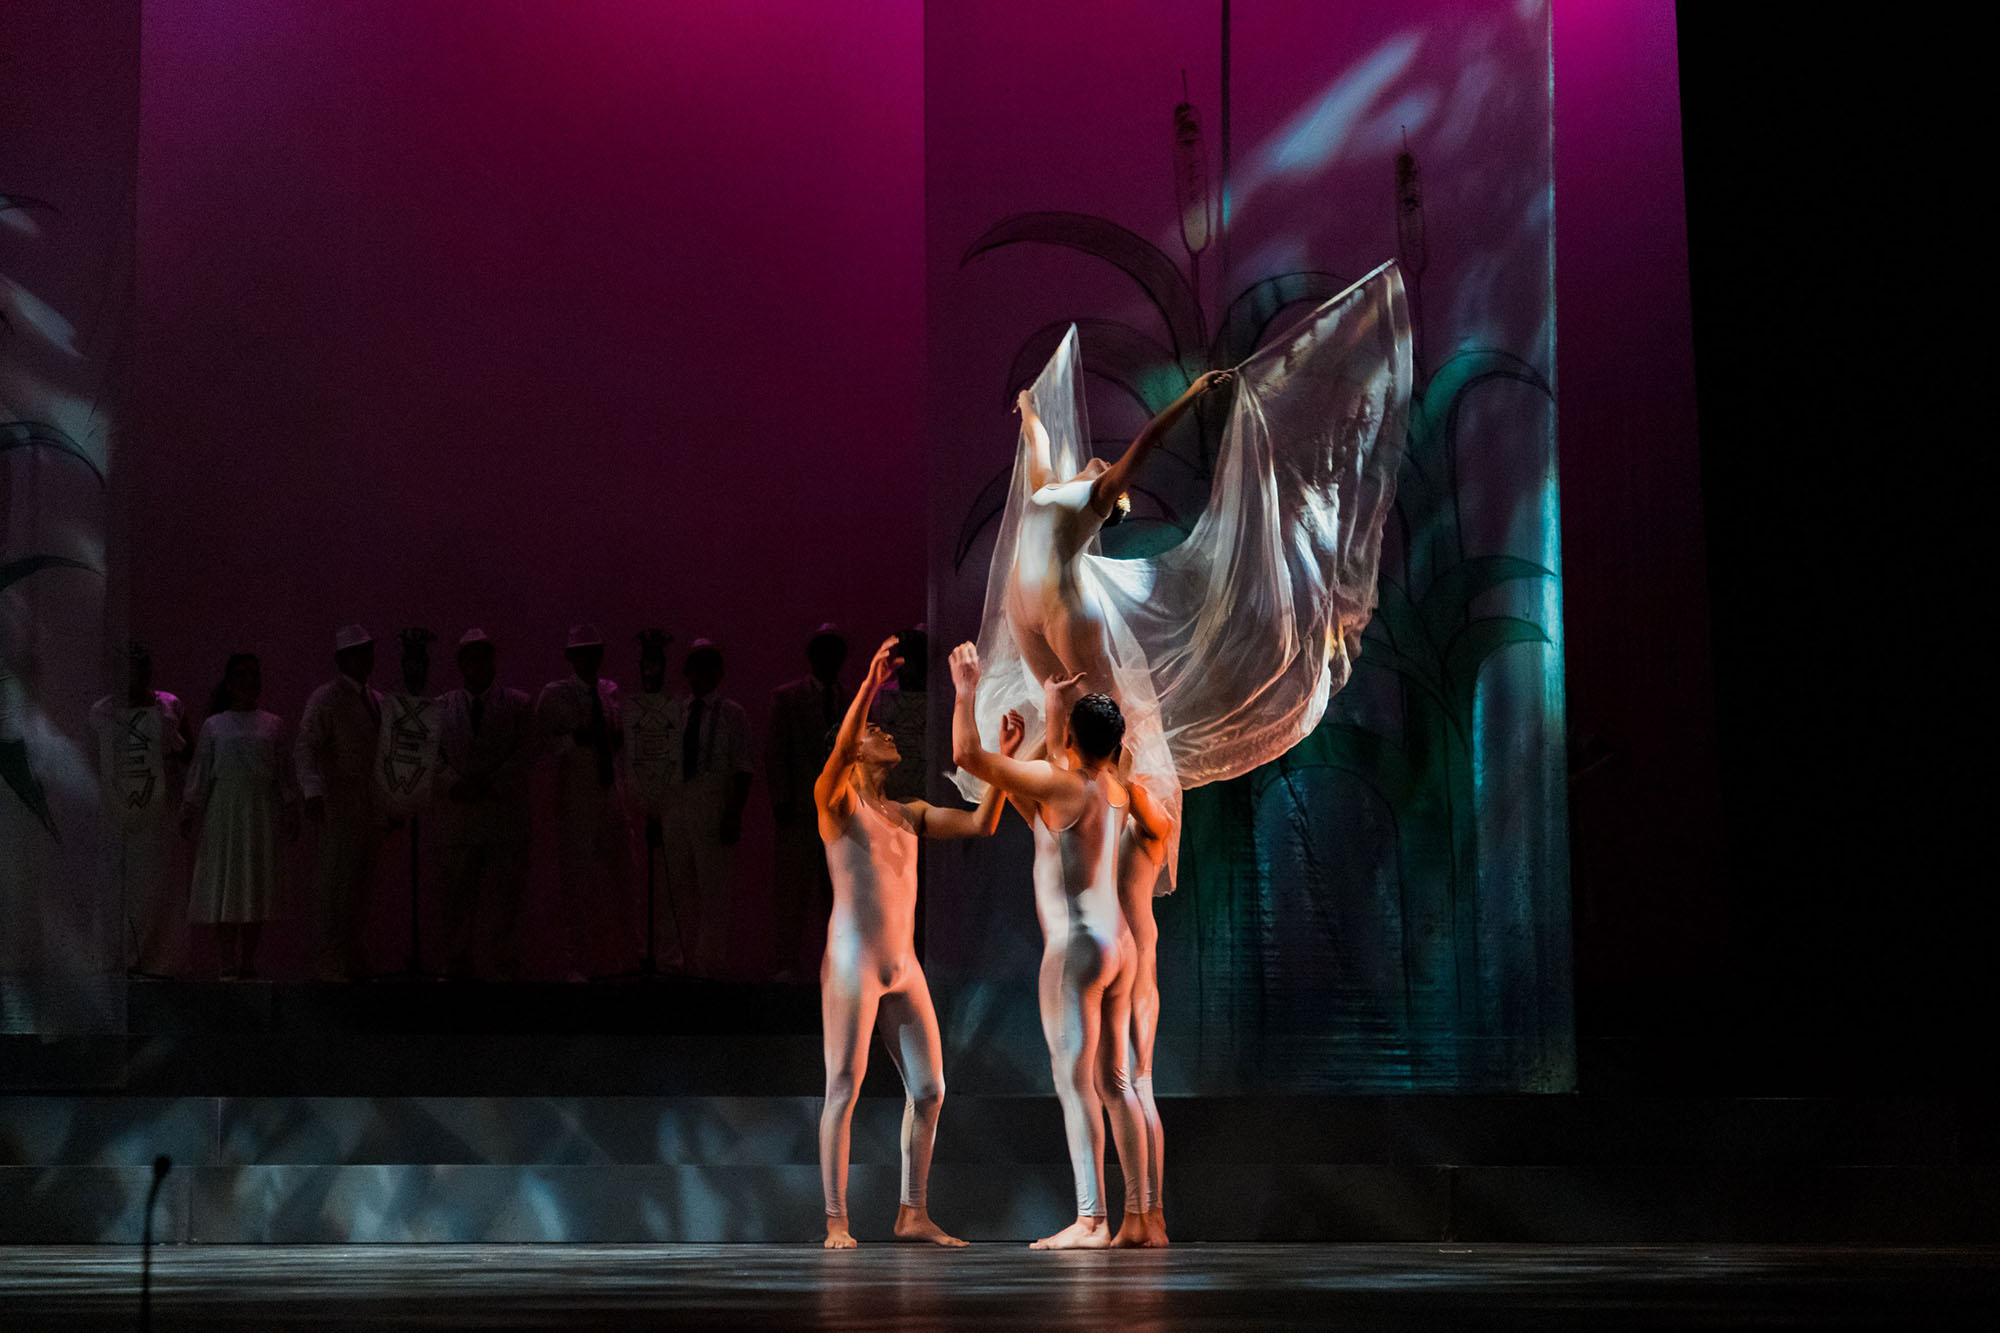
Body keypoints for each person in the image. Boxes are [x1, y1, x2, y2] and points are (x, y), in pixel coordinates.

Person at [817, 635, 1017, 1249]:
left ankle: (912, 1212)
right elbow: (841, 749)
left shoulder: (910, 813)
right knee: (843, 1087)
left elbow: (981, 823)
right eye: (875, 730)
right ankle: (836, 1221)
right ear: (856, 748)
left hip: (903, 966)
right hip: (853, 962)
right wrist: (868, 685)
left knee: (930, 1089)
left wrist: (1003, 761)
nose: (887, 732)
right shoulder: (837, 805)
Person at [949, 642, 1151, 1250]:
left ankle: (1092, 1220)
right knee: (1117, 1084)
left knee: (1074, 1083)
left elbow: (967, 756)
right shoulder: (1114, 788)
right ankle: (1139, 1218)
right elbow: (1035, 807)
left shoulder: (1062, 787)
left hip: (1076, 952)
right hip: (1119, 946)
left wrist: (966, 689)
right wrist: (1051, 717)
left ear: (1072, 741)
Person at [1005, 370, 1230, 693]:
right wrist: (1026, 401)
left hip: (1062, 609)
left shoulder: (1097, 494)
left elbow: (1149, 438)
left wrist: (1194, 391)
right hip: (1024, 610)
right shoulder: (1048, 486)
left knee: (1098, 701)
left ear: (1113, 501)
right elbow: (1037, 437)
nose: (1109, 464)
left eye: (1113, 470)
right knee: (1060, 703)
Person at [182, 653, 298, 979]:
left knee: (254, 883)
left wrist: (291, 807)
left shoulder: (273, 725)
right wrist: (189, 808)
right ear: (231, 683)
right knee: (226, 882)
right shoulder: (214, 726)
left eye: (254, 674)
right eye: (243, 674)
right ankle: (227, 959)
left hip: (260, 811)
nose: (251, 681)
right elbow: (201, 770)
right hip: (225, 811)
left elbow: (285, 773)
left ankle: (247, 960)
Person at [536, 624, 638, 981]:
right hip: (576, 797)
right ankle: (578, 961)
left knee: (625, 877)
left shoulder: (610, 691)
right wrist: (574, 739)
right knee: (576, 884)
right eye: (582, 653)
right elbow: (540, 745)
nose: (589, 659)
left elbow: (621, 742)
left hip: (611, 794)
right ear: (571, 658)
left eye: (593, 651)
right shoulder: (555, 695)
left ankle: (629, 956)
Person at [434, 629, 533, 979]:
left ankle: (506, 966)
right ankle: (457, 964)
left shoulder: (519, 704)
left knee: (507, 901)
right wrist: (454, 783)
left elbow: (525, 753)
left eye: (483, 658)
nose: (478, 665)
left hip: (503, 819)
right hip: (458, 821)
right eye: (471, 659)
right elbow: (430, 755)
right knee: (455, 900)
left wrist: (489, 783)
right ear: (461, 665)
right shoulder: (439, 707)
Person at [90, 643, 193, 978]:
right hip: (116, 808)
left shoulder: (169, 705)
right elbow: (93, 757)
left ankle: (158, 960)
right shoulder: (102, 711)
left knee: (156, 885)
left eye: (141, 668)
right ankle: (118, 959)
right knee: (119, 886)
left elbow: (189, 753)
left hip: (160, 810)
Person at [296, 624, 387, 980]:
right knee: (334, 883)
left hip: (369, 805)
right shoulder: (326, 698)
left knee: (362, 885)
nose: (365, 658)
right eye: (357, 652)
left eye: (368, 651)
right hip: (338, 804)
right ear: (341, 659)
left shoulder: (378, 701)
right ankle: (329, 959)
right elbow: (306, 746)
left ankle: (350, 952)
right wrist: (313, 791)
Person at [657, 638, 752, 979]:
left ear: (719, 672)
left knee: (714, 887)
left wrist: (733, 812)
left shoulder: (731, 714)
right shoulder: (674, 713)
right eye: (697, 666)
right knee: (673, 887)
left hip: (712, 798)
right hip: (676, 800)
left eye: (709, 666)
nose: (702, 673)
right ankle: (672, 961)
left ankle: (709, 963)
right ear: (688, 671)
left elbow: (743, 767)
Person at [767, 621, 847, 981]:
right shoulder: (788, 698)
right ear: (812, 656)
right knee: (792, 891)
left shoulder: (851, 700)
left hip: (840, 814)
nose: (830, 659)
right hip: (799, 810)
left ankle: (838, 966)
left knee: (839, 894)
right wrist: (781, 799)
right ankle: (786, 962)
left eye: (835, 652)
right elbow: (776, 752)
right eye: (824, 651)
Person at [1116, 775, 1176, 1247]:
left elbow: (1158, 822)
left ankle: (1152, 1215)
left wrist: (1124, 777)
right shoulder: (1105, 816)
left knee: (1138, 1083)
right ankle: (1142, 1213)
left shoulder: (1146, 818)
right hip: (1115, 961)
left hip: (1136, 968)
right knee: (1121, 1087)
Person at [624, 628, 685, 970]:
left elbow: (672, 761)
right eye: (646, 662)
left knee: (667, 884)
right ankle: (639, 951)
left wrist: (661, 808)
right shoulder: (631, 708)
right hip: (639, 804)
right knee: (639, 883)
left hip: (668, 806)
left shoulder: (674, 708)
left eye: (656, 661)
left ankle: (668, 956)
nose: (651, 670)